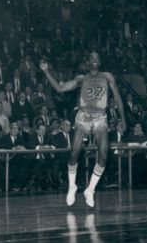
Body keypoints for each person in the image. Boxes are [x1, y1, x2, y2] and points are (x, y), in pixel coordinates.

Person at [40, 52, 126, 207]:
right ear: (87, 62)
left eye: (97, 57)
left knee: (104, 154)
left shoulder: (107, 76)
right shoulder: (81, 79)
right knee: (74, 153)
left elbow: (118, 98)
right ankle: (72, 186)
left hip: (100, 116)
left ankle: (90, 189)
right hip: (84, 116)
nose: (95, 59)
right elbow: (60, 88)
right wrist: (46, 71)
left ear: (100, 62)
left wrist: (123, 119)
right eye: (92, 57)